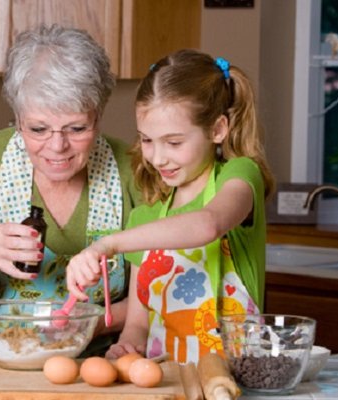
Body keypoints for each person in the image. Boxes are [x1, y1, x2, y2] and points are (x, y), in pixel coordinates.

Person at [0, 24, 141, 354]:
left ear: (98, 117)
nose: (57, 146)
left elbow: (159, 292)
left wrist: (88, 325)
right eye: (38, 128)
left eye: (76, 128)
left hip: (100, 364)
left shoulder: (134, 172)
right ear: (17, 118)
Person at [65, 49, 275, 364]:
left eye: (174, 143)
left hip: (237, 380)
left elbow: (207, 225)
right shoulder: (146, 217)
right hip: (167, 384)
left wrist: (108, 244)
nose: (157, 157)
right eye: (147, 140)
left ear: (217, 130)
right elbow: (137, 325)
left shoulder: (240, 177)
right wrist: (127, 347)